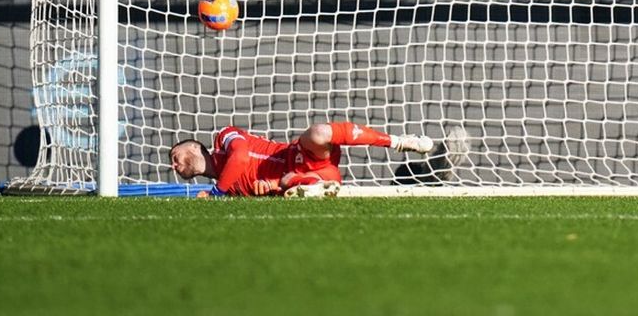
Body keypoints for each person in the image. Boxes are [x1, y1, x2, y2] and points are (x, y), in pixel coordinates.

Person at [169, 121, 437, 197]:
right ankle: (316, 186)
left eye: (174, 155)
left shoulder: (225, 137)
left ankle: (399, 142)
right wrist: (272, 187)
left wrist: (216, 193)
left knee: (319, 133)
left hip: (300, 156)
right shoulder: (232, 192)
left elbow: (239, 157)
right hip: (299, 180)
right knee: (288, 183)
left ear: (193, 147)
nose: (173, 164)